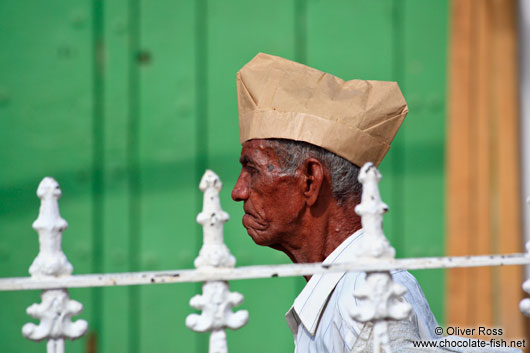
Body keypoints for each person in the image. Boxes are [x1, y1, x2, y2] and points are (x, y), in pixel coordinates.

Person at [231, 53, 520, 353]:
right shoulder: (345, 291)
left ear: (309, 181)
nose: (238, 191)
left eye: (252, 170)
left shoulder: (365, 297)